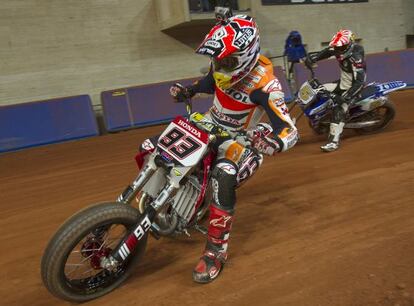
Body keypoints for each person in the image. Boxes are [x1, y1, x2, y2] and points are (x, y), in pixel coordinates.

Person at [140, 15, 299, 283]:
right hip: (209, 126)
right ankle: (159, 200)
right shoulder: (220, 70)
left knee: (222, 176)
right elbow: (206, 84)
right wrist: (187, 93)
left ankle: (215, 251)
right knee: (152, 145)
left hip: (241, 143)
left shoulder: (266, 86)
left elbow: (289, 129)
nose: (220, 67)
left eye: (226, 62)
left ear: (247, 55)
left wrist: (273, 142)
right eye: (217, 60)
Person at [305, 29, 366, 152]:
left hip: (353, 88)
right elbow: (329, 51)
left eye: (341, 47)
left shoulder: (356, 59)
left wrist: (345, 98)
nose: (338, 50)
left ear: (349, 44)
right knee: (317, 89)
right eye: (337, 47)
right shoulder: (341, 49)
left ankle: (334, 141)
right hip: (342, 83)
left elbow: (360, 82)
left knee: (339, 109)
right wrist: (315, 58)